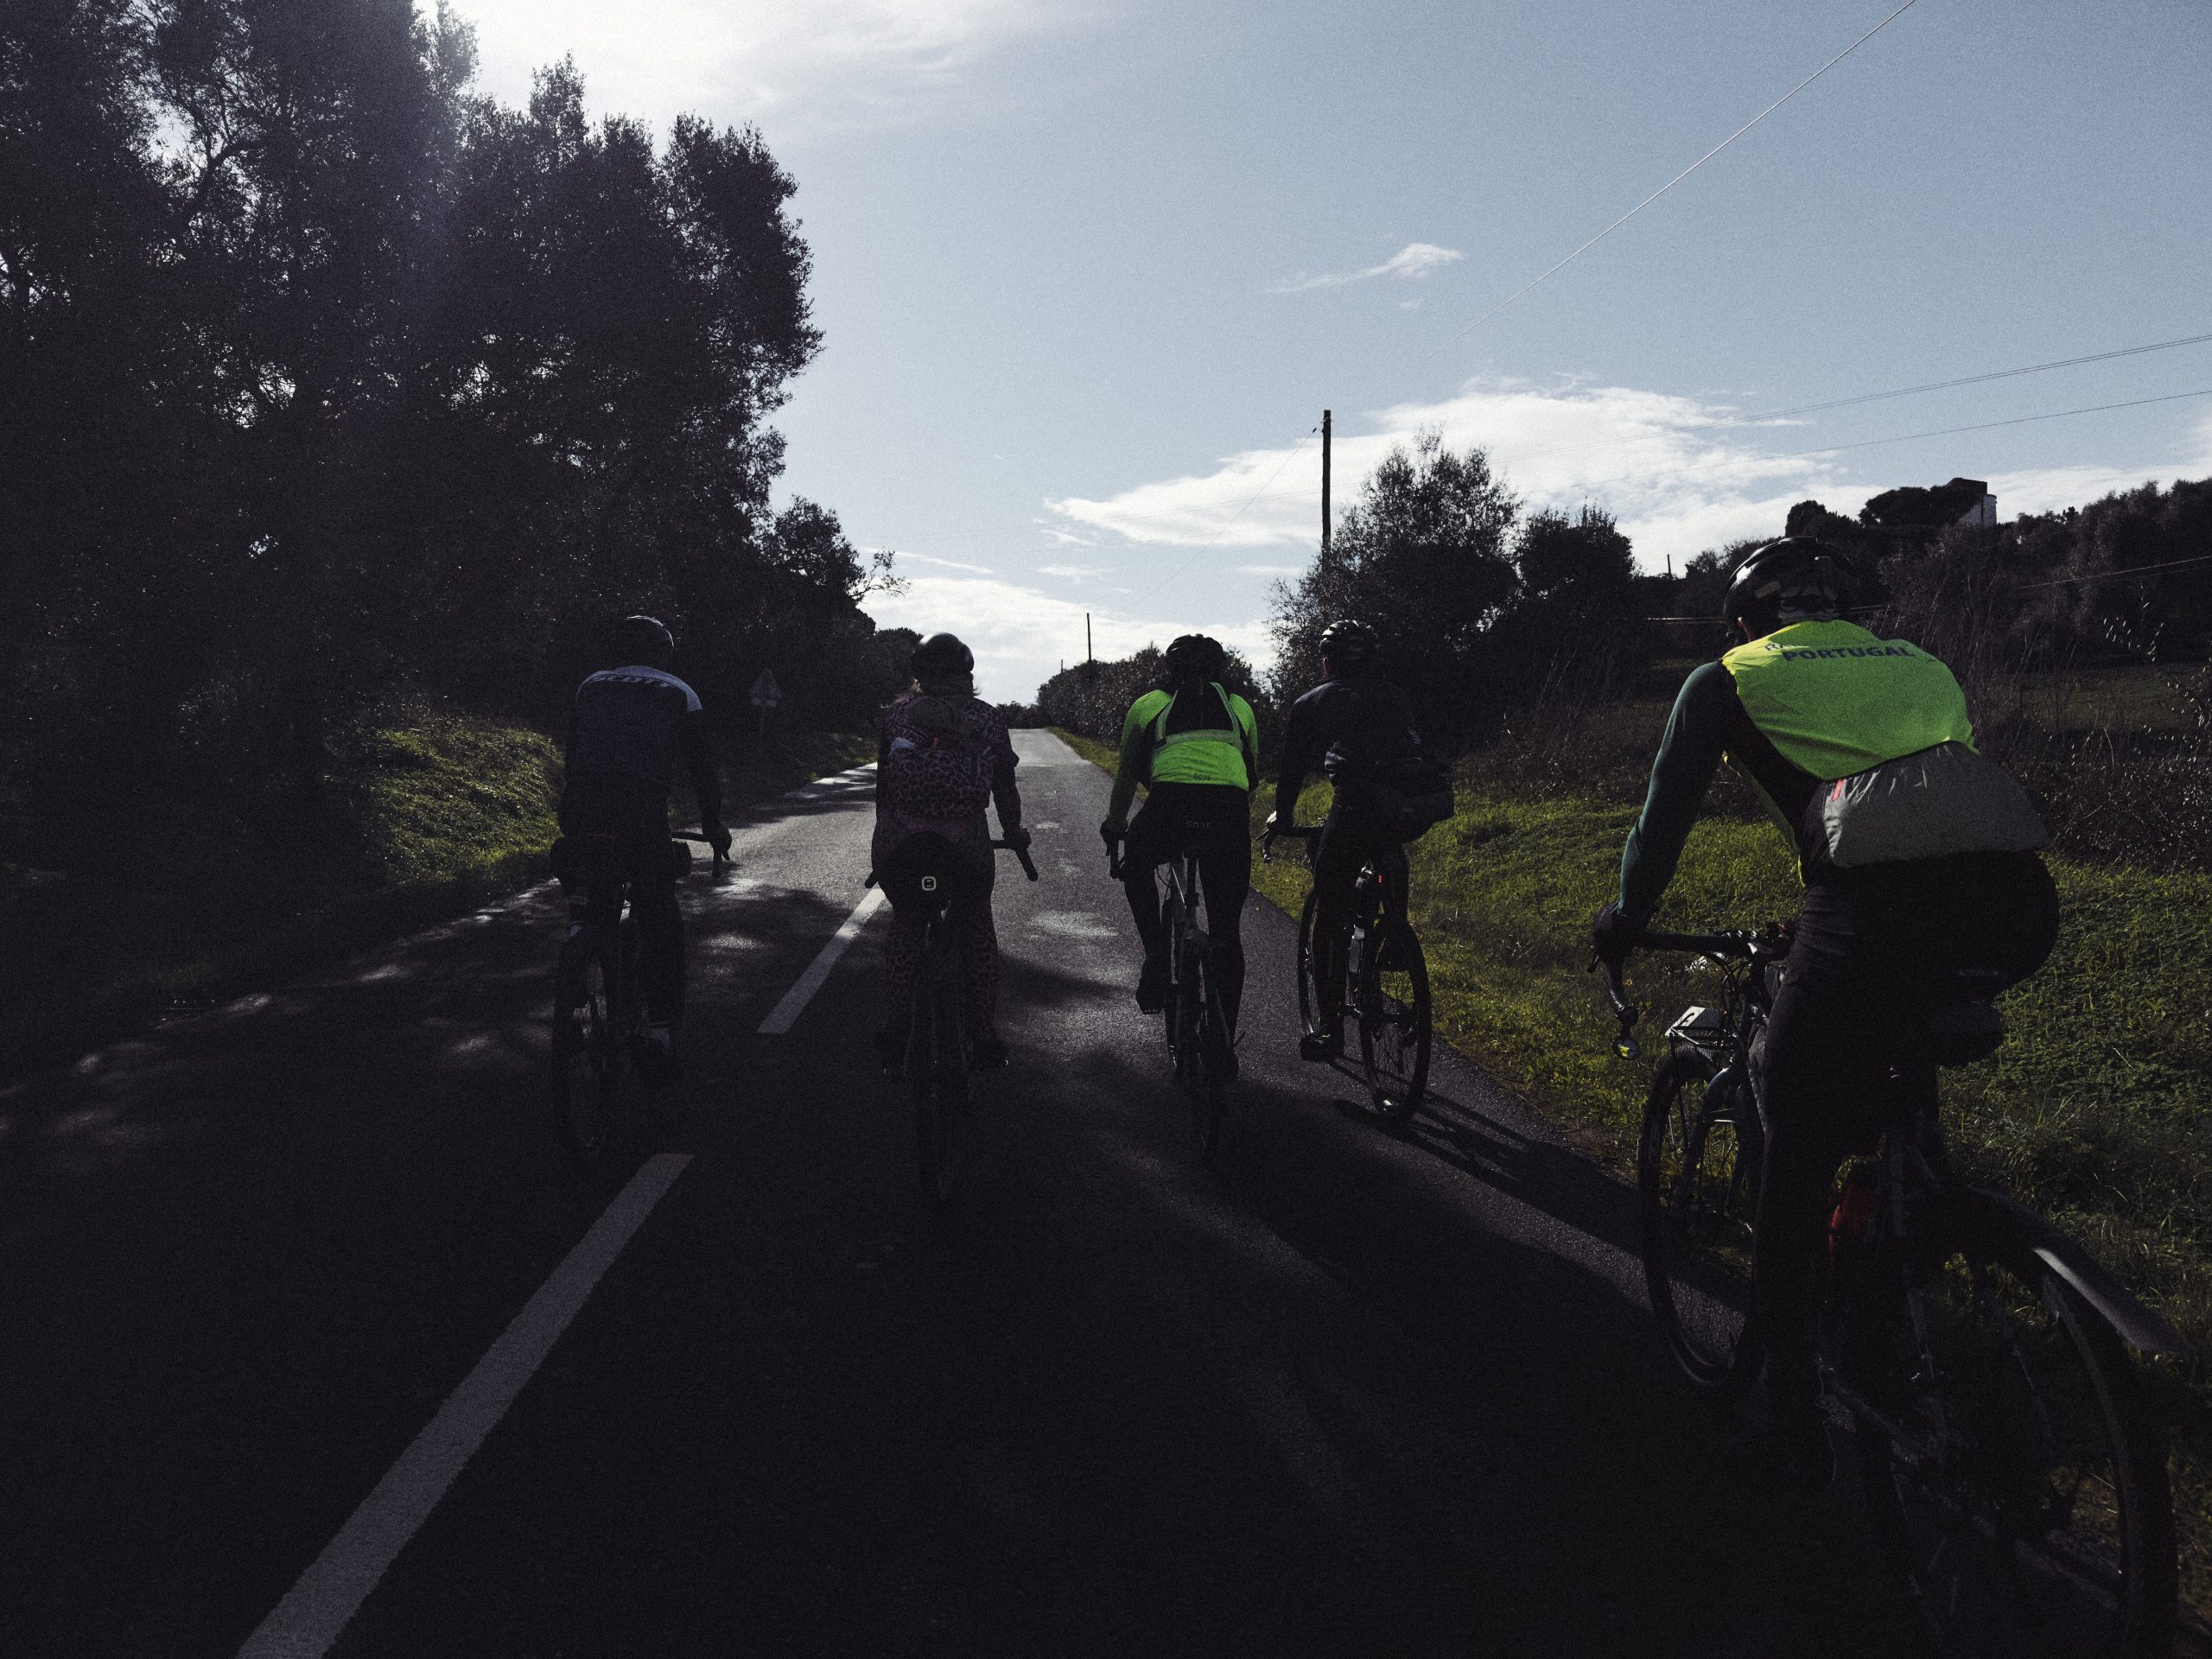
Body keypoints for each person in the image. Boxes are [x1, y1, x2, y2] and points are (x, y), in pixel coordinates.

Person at [1592, 537, 2056, 1484]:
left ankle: (1789, 1408)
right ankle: (1908, 1242)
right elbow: (1929, 809)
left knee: (1793, 1129)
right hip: (2013, 904)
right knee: (1891, 1062)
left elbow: (1662, 823)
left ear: (1745, 622)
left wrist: (1621, 921)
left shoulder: (1727, 677)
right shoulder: (1921, 663)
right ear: (1847, 613)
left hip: (1868, 917)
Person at [559, 614, 731, 1080]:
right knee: (658, 915)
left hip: (582, 809)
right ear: (664, 652)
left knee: (593, 888)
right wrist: (713, 826)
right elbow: (702, 772)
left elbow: (573, 754)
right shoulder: (680, 692)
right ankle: (659, 1031)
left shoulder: (590, 685)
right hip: (641, 814)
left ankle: (579, 937)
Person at [1264, 619, 1428, 1062]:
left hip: (1355, 806)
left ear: (1328, 660)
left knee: (1329, 908)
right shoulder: (1397, 696)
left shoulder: (1314, 702)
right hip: (1412, 806)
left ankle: (1331, 1030)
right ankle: (1393, 937)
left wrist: (1283, 816)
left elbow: (1293, 769)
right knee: (1386, 851)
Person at [873, 632, 1027, 1071]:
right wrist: (1014, 831)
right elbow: (1004, 787)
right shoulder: (989, 718)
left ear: (918, 675)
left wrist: (885, 833)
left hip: (901, 843)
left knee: (905, 926)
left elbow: (883, 785)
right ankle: (982, 1035)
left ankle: (897, 1028)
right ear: (969, 674)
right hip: (965, 845)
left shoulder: (896, 716)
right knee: (976, 926)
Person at [1100, 635, 1260, 1039]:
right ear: (1222, 670)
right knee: (1226, 932)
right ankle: (1225, 1039)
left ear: (1168, 670)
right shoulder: (1239, 707)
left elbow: (1125, 774)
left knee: (1137, 864)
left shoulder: (1148, 704)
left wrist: (1115, 825)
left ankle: (1155, 954)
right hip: (1227, 811)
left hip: (1170, 806)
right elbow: (1251, 772)